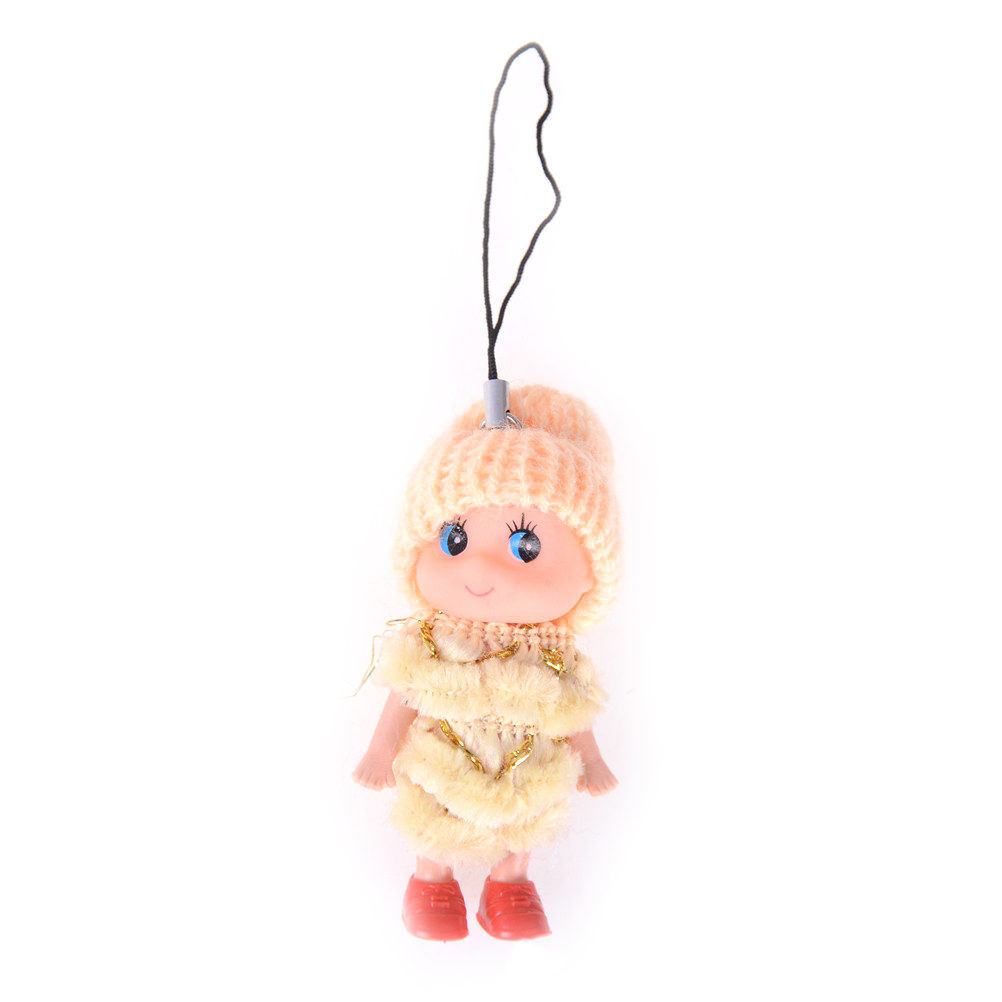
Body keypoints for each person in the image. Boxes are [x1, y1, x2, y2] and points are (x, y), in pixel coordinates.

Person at [353, 385, 620, 941]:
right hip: (444, 758)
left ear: (589, 576)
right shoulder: (433, 640)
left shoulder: (554, 655)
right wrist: (380, 752)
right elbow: (405, 695)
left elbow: (571, 713)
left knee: (529, 813)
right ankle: (431, 880)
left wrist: (592, 760)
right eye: (455, 539)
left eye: (526, 547)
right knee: (434, 809)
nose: (479, 569)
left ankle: (510, 883)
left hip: (526, 766)